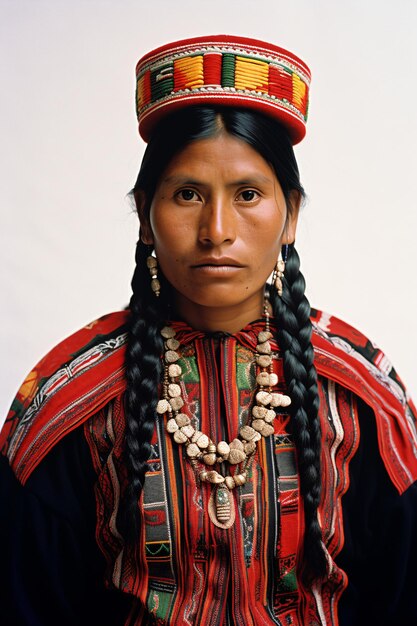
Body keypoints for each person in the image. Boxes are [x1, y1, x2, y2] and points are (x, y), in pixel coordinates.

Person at [1, 34, 417, 626]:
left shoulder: (363, 399)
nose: (216, 229)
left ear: (290, 213)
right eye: (187, 194)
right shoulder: (69, 402)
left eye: (248, 194)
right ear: (146, 213)